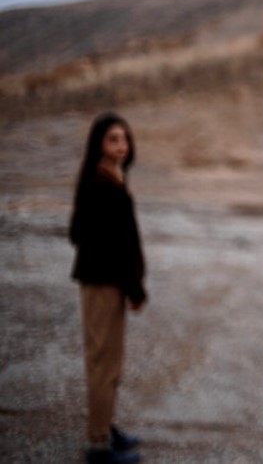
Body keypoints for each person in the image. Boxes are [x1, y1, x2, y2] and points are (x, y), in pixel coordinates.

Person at [69, 112, 146, 464]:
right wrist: (134, 286)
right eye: (113, 139)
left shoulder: (109, 178)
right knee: (102, 364)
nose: (121, 145)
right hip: (103, 284)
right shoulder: (98, 184)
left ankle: (106, 426)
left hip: (109, 283)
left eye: (124, 139)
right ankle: (98, 444)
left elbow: (81, 233)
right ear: (99, 143)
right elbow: (110, 243)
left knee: (110, 363)